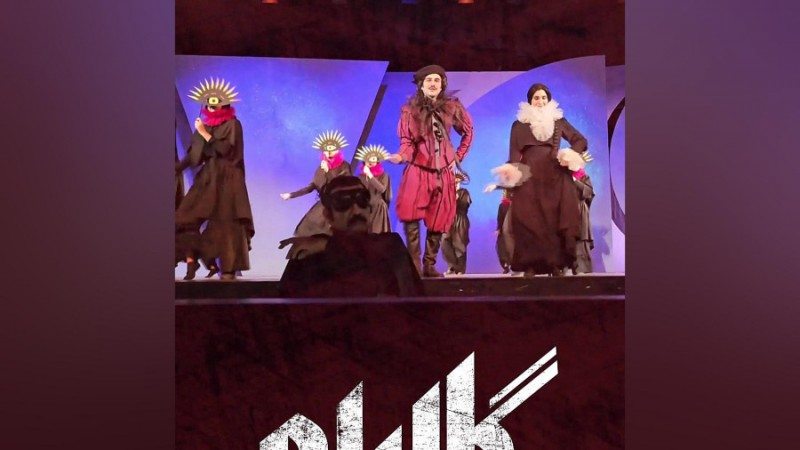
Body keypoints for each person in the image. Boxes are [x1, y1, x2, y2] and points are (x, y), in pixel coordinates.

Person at [387, 64, 474, 277]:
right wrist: (401, 156)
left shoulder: (452, 107)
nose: (433, 84)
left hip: (443, 172)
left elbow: (468, 131)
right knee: (411, 215)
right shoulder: (410, 111)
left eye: (437, 80)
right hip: (418, 169)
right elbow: (407, 142)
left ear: (442, 83)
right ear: (421, 85)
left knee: (439, 217)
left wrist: (457, 157)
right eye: (429, 80)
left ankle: (429, 264)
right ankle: (414, 264)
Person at [494, 82, 588, 277]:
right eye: (536, 98)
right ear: (530, 101)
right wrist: (511, 174)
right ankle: (530, 265)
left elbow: (580, 140)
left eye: (544, 97)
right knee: (528, 219)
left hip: (554, 175)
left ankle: (555, 264)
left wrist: (569, 154)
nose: (540, 101)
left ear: (548, 100)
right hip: (528, 175)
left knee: (553, 220)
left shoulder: (558, 120)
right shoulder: (519, 125)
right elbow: (514, 153)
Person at [278, 176, 424, 298]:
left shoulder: (390, 246)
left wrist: (329, 246)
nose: (356, 211)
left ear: (370, 209)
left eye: (362, 200)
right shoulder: (309, 254)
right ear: (328, 215)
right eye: (343, 203)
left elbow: (416, 307)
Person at [175, 77, 255, 281]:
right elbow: (194, 155)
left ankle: (227, 267)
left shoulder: (232, 124)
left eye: (216, 102)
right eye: (209, 102)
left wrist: (205, 133)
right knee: (183, 218)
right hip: (209, 177)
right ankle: (200, 259)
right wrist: (176, 169)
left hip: (228, 177)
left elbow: (226, 150)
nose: (212, 105)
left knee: (226, 223)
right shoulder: (205, 126)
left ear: (224, 104)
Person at [280, 130, 352, 237]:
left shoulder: (344, 166)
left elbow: (341, 185)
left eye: (332, 149)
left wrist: (328, 171)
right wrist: (291, 195)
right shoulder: (320, 169)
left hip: (337, 208)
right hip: (322, 206)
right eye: (327, 149)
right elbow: (311, 187)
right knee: (308, 228)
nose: (329, 152)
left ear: (337, 150)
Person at [354, 144, 392, 233]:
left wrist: (370, 175)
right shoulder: (360, 177)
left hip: (378, 209)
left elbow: (382, 189)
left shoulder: (383, 175)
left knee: (376, 234)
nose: (371, 161)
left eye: (373, 159)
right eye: (368, 159)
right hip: (364, 209)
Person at [442, 172, 472, 275]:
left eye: (456, 180)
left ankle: (460, 269)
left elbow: (465, 205)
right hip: (448, 219)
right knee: (444, 241)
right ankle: (452, 265)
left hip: (460, 219)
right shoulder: (446, 192)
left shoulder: (464, 192)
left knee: (459, 244)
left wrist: (456, 197)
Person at [571, 165, 595, 274]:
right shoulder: (564, 177)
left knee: (581, 239)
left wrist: (575, 180)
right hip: (567, 211)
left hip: (580, 211)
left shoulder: (584, 177)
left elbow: (588, 192)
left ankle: (582, 268)